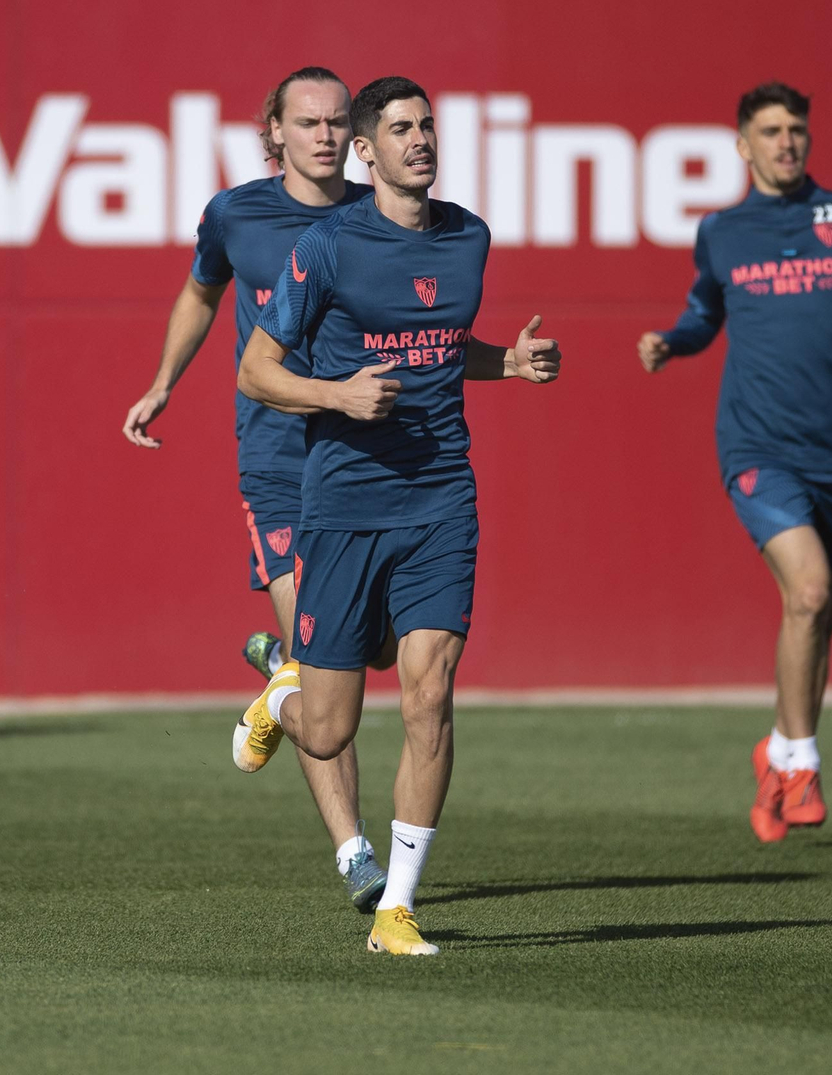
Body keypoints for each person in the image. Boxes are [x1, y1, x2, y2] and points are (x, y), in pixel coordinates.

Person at [232, 75, 563, 956]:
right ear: (367, 152)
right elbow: (256, 371)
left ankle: (397, 908)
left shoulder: (468, 238)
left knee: (429, 694)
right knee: (333, 725)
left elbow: (444, 354)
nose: (420, 140)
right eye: (401, 129)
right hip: (342, 505)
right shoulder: (328, 245)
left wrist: (511, 364)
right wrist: (334, 394)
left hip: (442, 498)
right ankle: (282, 692)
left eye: (428, 126)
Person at [119, 67, 388, 910]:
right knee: (331, 665)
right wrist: (164, 380)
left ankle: (278, 678)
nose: (325, 135)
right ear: (273, 129)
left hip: (366, 464)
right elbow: (202, 291)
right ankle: (354, 852)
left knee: (373, 653)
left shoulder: (377, 220)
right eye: (307, 121)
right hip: (277, 470)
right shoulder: (235, 213)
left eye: (338, 121)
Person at [637, 82, 832, 842]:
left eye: (796, 129)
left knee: (818, 618)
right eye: (771, 130)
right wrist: (671, 340)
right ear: (742, 145)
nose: (787, 141)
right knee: (810, 591)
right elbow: (703, 313)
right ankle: (803, 762)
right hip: (758, 448)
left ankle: (777, 752)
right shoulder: (723, 231)